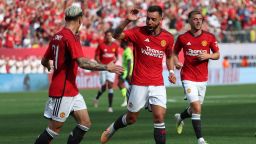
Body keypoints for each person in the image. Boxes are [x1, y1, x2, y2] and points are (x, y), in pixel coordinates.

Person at [34, 5, 123, 144]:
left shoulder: (57, 35)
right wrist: (107, 67)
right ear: (80, 19)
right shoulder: (70, 38)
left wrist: (49, 66)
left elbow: (44, 60)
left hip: (72, 90)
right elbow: (82, 63)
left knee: (85, 123)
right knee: (54, 130)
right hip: (62, 92)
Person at [100, 5, 176, 144]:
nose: (149, 22)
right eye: (148, 18)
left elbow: (169, 56)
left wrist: (171, 72)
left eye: (153, 19)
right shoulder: (137, 32)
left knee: (159, 117)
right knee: (131, 119)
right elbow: (116, 35)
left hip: (158, 83)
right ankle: (112, 128)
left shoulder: (168, 37)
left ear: (161, 19)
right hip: (139, 83)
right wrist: (127, 20)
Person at [172, 10, 220, 144]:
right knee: (197, 108)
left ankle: (180, 117)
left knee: (195, 108)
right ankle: (200, 139)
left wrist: (208, 55)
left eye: (200, 19)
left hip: (203, 78)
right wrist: (176, 62)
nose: (198, 21)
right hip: (187, 76)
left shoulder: (209, 37)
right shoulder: (182, 38)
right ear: (189, 21)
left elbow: (217, 54)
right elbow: (174, 53)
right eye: (195, 19)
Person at [93, 30, 119, 112]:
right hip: (103, 68)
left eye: (110, 35)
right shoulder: (101, 45)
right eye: (107, 35)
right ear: (105, 36)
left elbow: (117, 57)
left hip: (111, 68)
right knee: (104, 87)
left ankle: (110, 107)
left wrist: (113, 63)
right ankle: (96, 98)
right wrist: (102, 65)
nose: (109, 37)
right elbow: (96, 57)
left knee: (110, 85)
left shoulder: (115, 45)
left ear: (112, 37)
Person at [118, 40, 133, 107]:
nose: (120, 43)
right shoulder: (126, 50)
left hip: (126, 70)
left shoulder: (127, 50)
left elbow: (129, 62)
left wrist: (128, 73)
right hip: (125, 70)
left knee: (120, 83)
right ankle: (129, 98)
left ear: (124, 43)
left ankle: (126, 98)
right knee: (131, 85)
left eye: (121, 42)